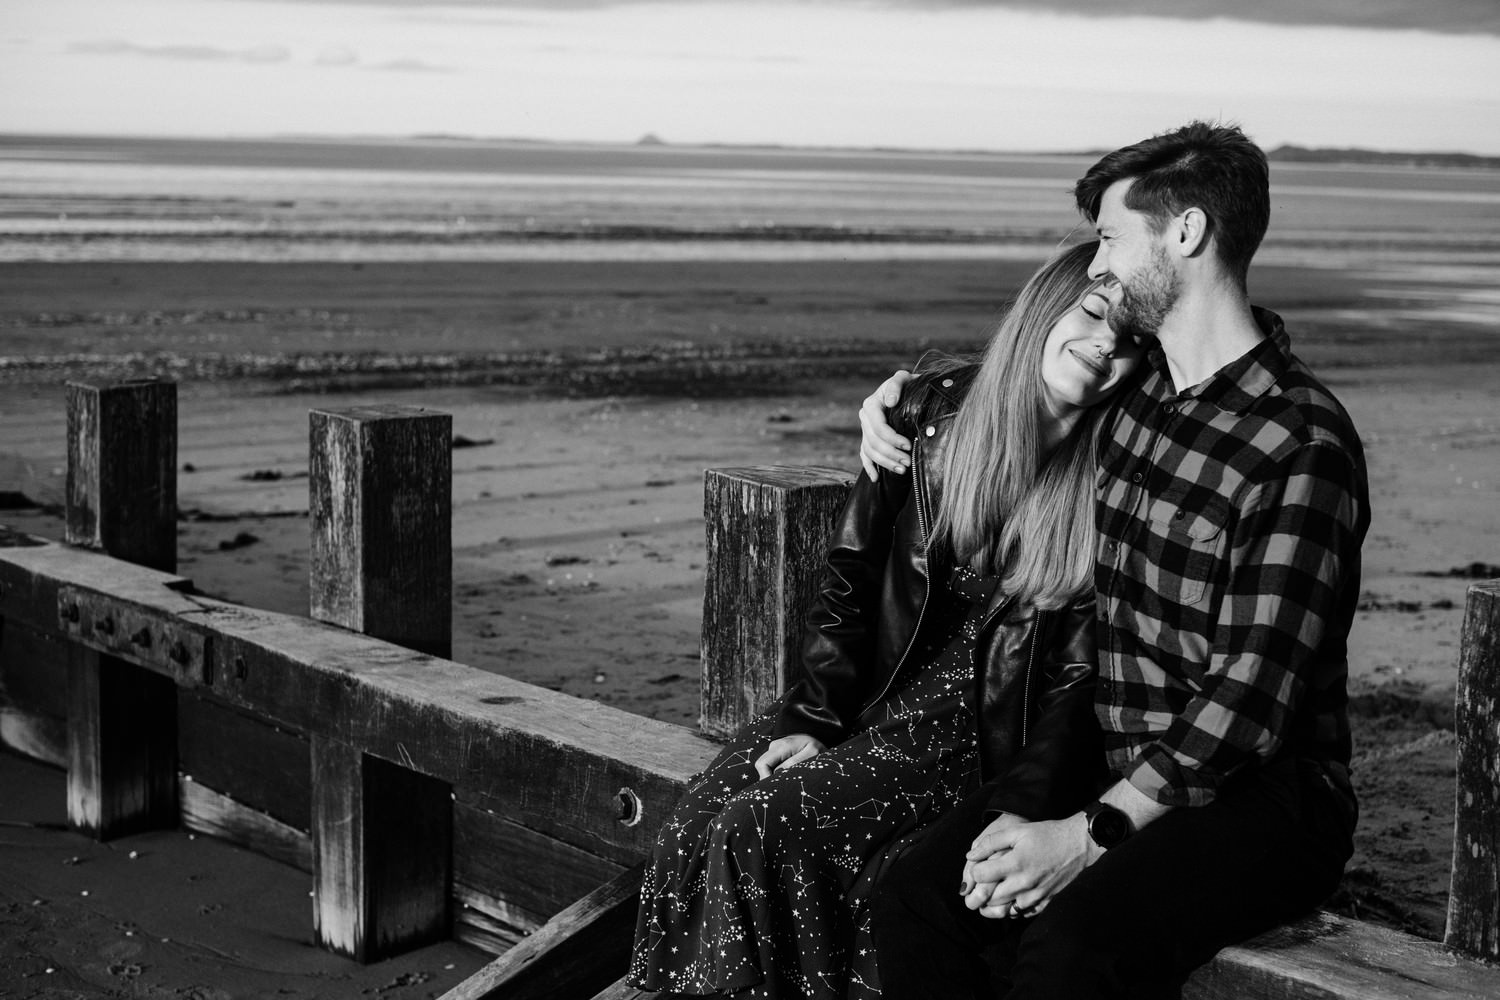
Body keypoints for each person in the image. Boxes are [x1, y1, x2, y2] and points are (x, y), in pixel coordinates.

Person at [859, 120, 1371, 999]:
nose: (1095, 268)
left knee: (1071, 947)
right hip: (1115, 754)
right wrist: (905, 403)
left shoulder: (1298, 440)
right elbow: (1030, 380)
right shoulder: (1141, 406)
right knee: (916, 894)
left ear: (1186, 234)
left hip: (1262, 798)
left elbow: (1245, 701)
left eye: (1109, 238)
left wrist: (1086, 836)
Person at [627, 241, 1142, 1000]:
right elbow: (852, 577)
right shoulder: (930, 413)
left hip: (969, 734)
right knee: (698, 820)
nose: (1105, 347)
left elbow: (1076, 680)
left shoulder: (1122, 474)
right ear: (1047, 306)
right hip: (871, 692)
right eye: (1095, 314)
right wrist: (810, 719)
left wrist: (1026, 808)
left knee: (760, 829)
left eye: (1133, 343)